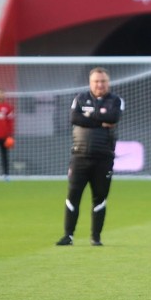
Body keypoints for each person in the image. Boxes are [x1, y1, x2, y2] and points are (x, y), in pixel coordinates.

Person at [55, 67, 124, 246]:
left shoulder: (115, 100)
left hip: (104, 158)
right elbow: (75, 118)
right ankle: (68, 235)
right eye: (96, 81)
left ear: (108, 83)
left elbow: (114, 117)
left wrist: (88, 116)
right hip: (79, 157)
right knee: (73, 195)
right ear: (90, 82)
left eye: (103, 81)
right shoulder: (80, 98)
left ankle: (96, 237)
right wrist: (100, 120)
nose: (99, 84)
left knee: (99, 197)